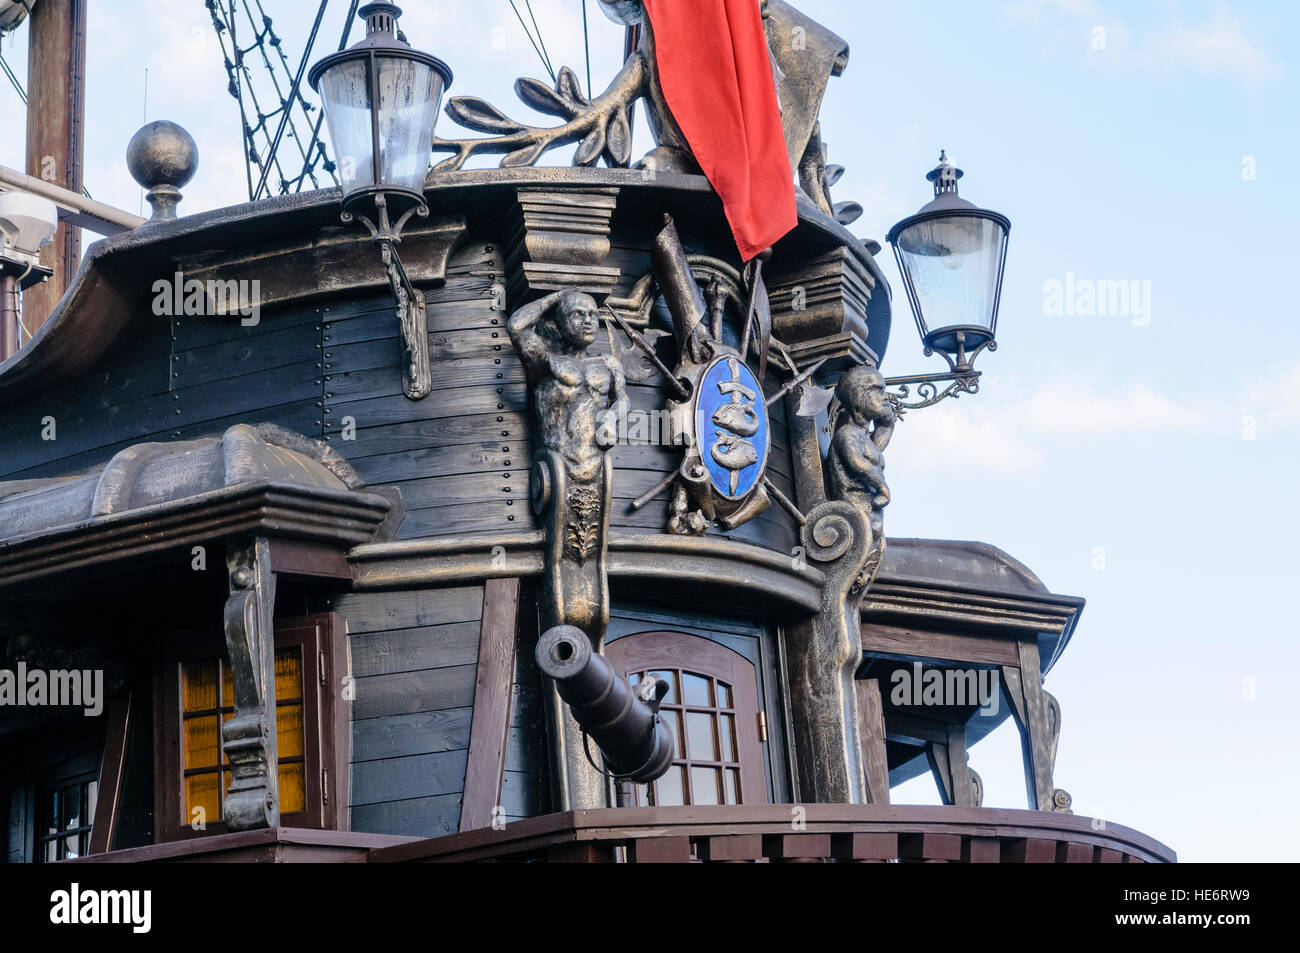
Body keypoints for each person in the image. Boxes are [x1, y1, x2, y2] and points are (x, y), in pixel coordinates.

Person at [507, 290, 628, 484]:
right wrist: (558, 297)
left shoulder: (608, 363)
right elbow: (516, 327)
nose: (588, 321)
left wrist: (612, 415)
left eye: (593, 314)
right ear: (560, 321)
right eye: (578, 314)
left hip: (596, 464)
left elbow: (622, 398)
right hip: (558, 462)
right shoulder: (548, 363)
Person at [826, 364, 894, 542]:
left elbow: (882, 436)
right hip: (853, 523)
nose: (885, 397)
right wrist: (882, 487)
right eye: (878, 390)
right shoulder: (847, 433)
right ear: (858, 396)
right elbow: (857, 462)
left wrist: (888, 423)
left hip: (870, 524)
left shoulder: (866, 440)